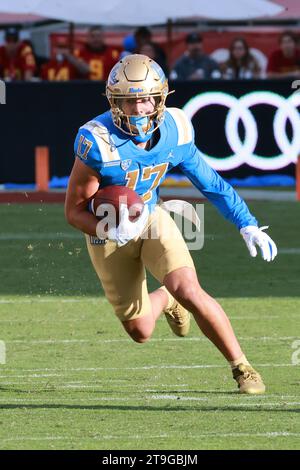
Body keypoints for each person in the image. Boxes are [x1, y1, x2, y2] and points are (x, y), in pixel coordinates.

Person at [65, 54, 277, 395]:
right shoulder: (97, 140)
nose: (141, 108)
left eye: (148, 98)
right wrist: (110, 229)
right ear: (115, 102)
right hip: (107, 232)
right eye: (130, 101)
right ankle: (166, 299)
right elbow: (74, 212)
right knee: (141, 331)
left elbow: (211, 183)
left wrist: (246, 223)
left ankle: (243, 368)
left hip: (150, 218)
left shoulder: (175, 130)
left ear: (161, 97)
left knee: (190, 290)